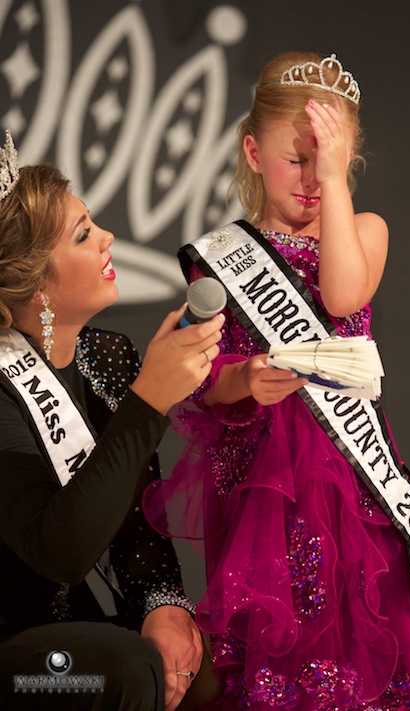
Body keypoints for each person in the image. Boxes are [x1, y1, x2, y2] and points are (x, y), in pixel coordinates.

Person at [142, 52, 410, 710]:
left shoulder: (364, 232)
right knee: (278, 667)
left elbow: (344, 297)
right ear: (252, 152)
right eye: (297, 158)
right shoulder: (220, 258)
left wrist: (337, 181)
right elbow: (203, 383)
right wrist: (247, 379)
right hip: (261, 502)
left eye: (330, 161)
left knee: (363, 658)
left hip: (352, 496)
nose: (313, 177)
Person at [0, 130, 224, 710]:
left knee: (206, 659)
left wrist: (165, 607)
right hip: (18, 659)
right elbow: (65, 552)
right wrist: (149, 400)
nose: (108, 238)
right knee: (124, 667)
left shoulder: (110, 354)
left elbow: (137, 526)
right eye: (83, 235)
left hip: (95, 625)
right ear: (37, 284)